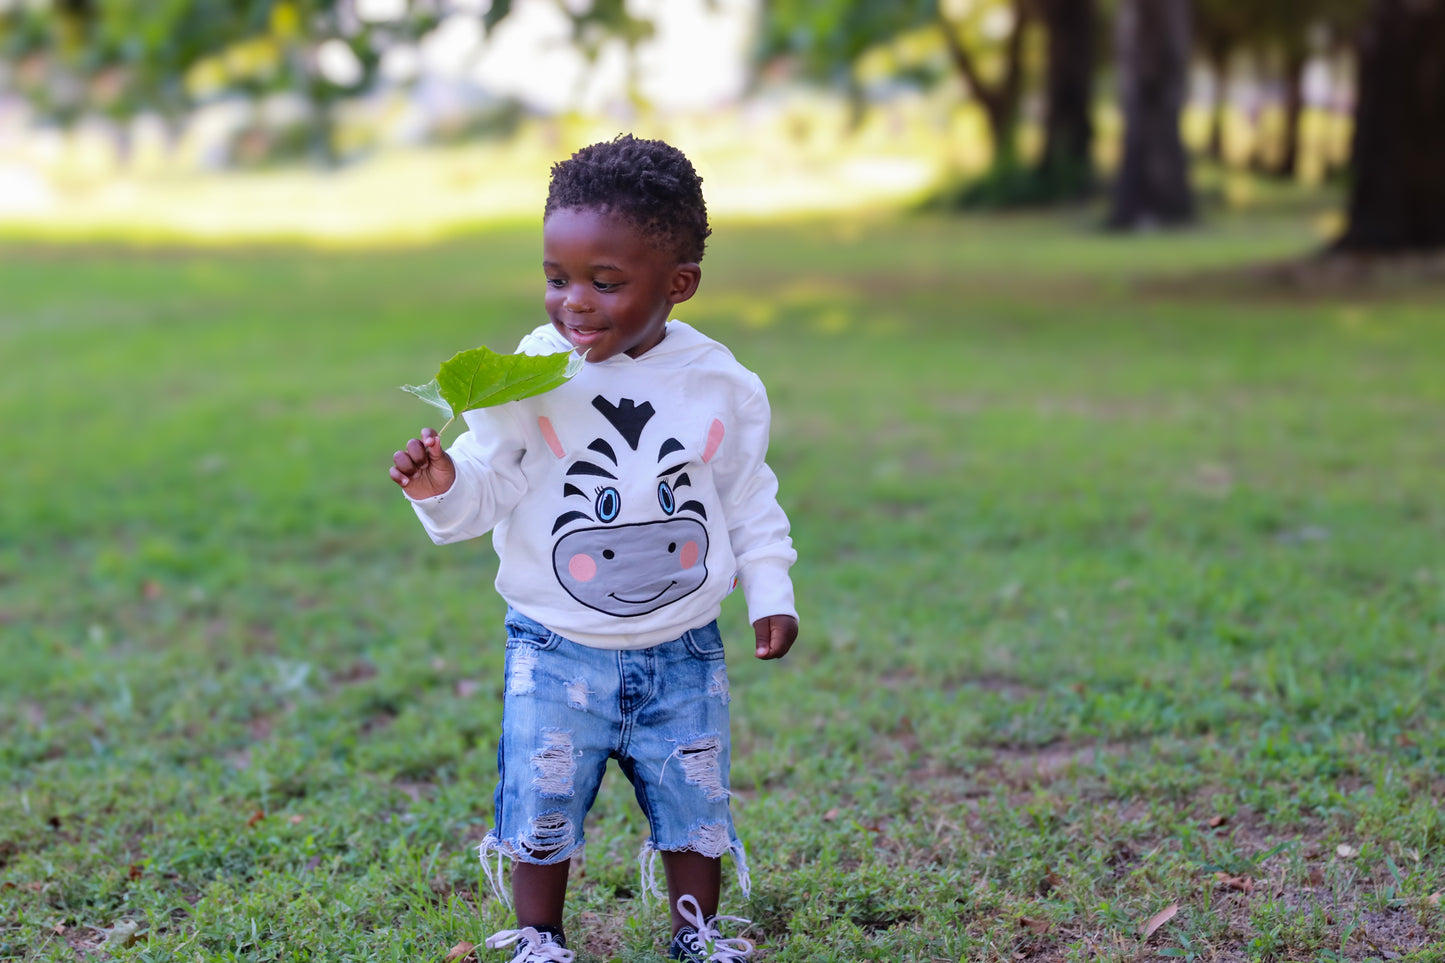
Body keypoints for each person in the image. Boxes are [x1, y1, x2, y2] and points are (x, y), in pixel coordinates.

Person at [389, 134, 799, 963]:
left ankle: (697, 933)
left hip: (684, 646)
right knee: (541, 800)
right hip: (553, 646)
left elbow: (747, 493)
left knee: (694, 797)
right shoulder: (532, 373)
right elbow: (486, 483)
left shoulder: (721, 383)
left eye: (604, 282)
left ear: (677, 284)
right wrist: (439, 486)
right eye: (555, 277)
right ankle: (538, 937)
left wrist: (770, 589)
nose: (573, 302)